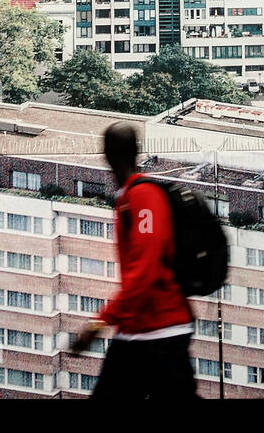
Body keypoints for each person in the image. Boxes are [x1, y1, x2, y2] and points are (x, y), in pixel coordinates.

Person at [68, 122, 196, 399]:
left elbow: (146, 271)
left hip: (156, 330)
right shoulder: (131, 197)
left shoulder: (143, 197)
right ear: (137, 151)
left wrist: (97, 324)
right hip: (149, 329)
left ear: (106, 155)